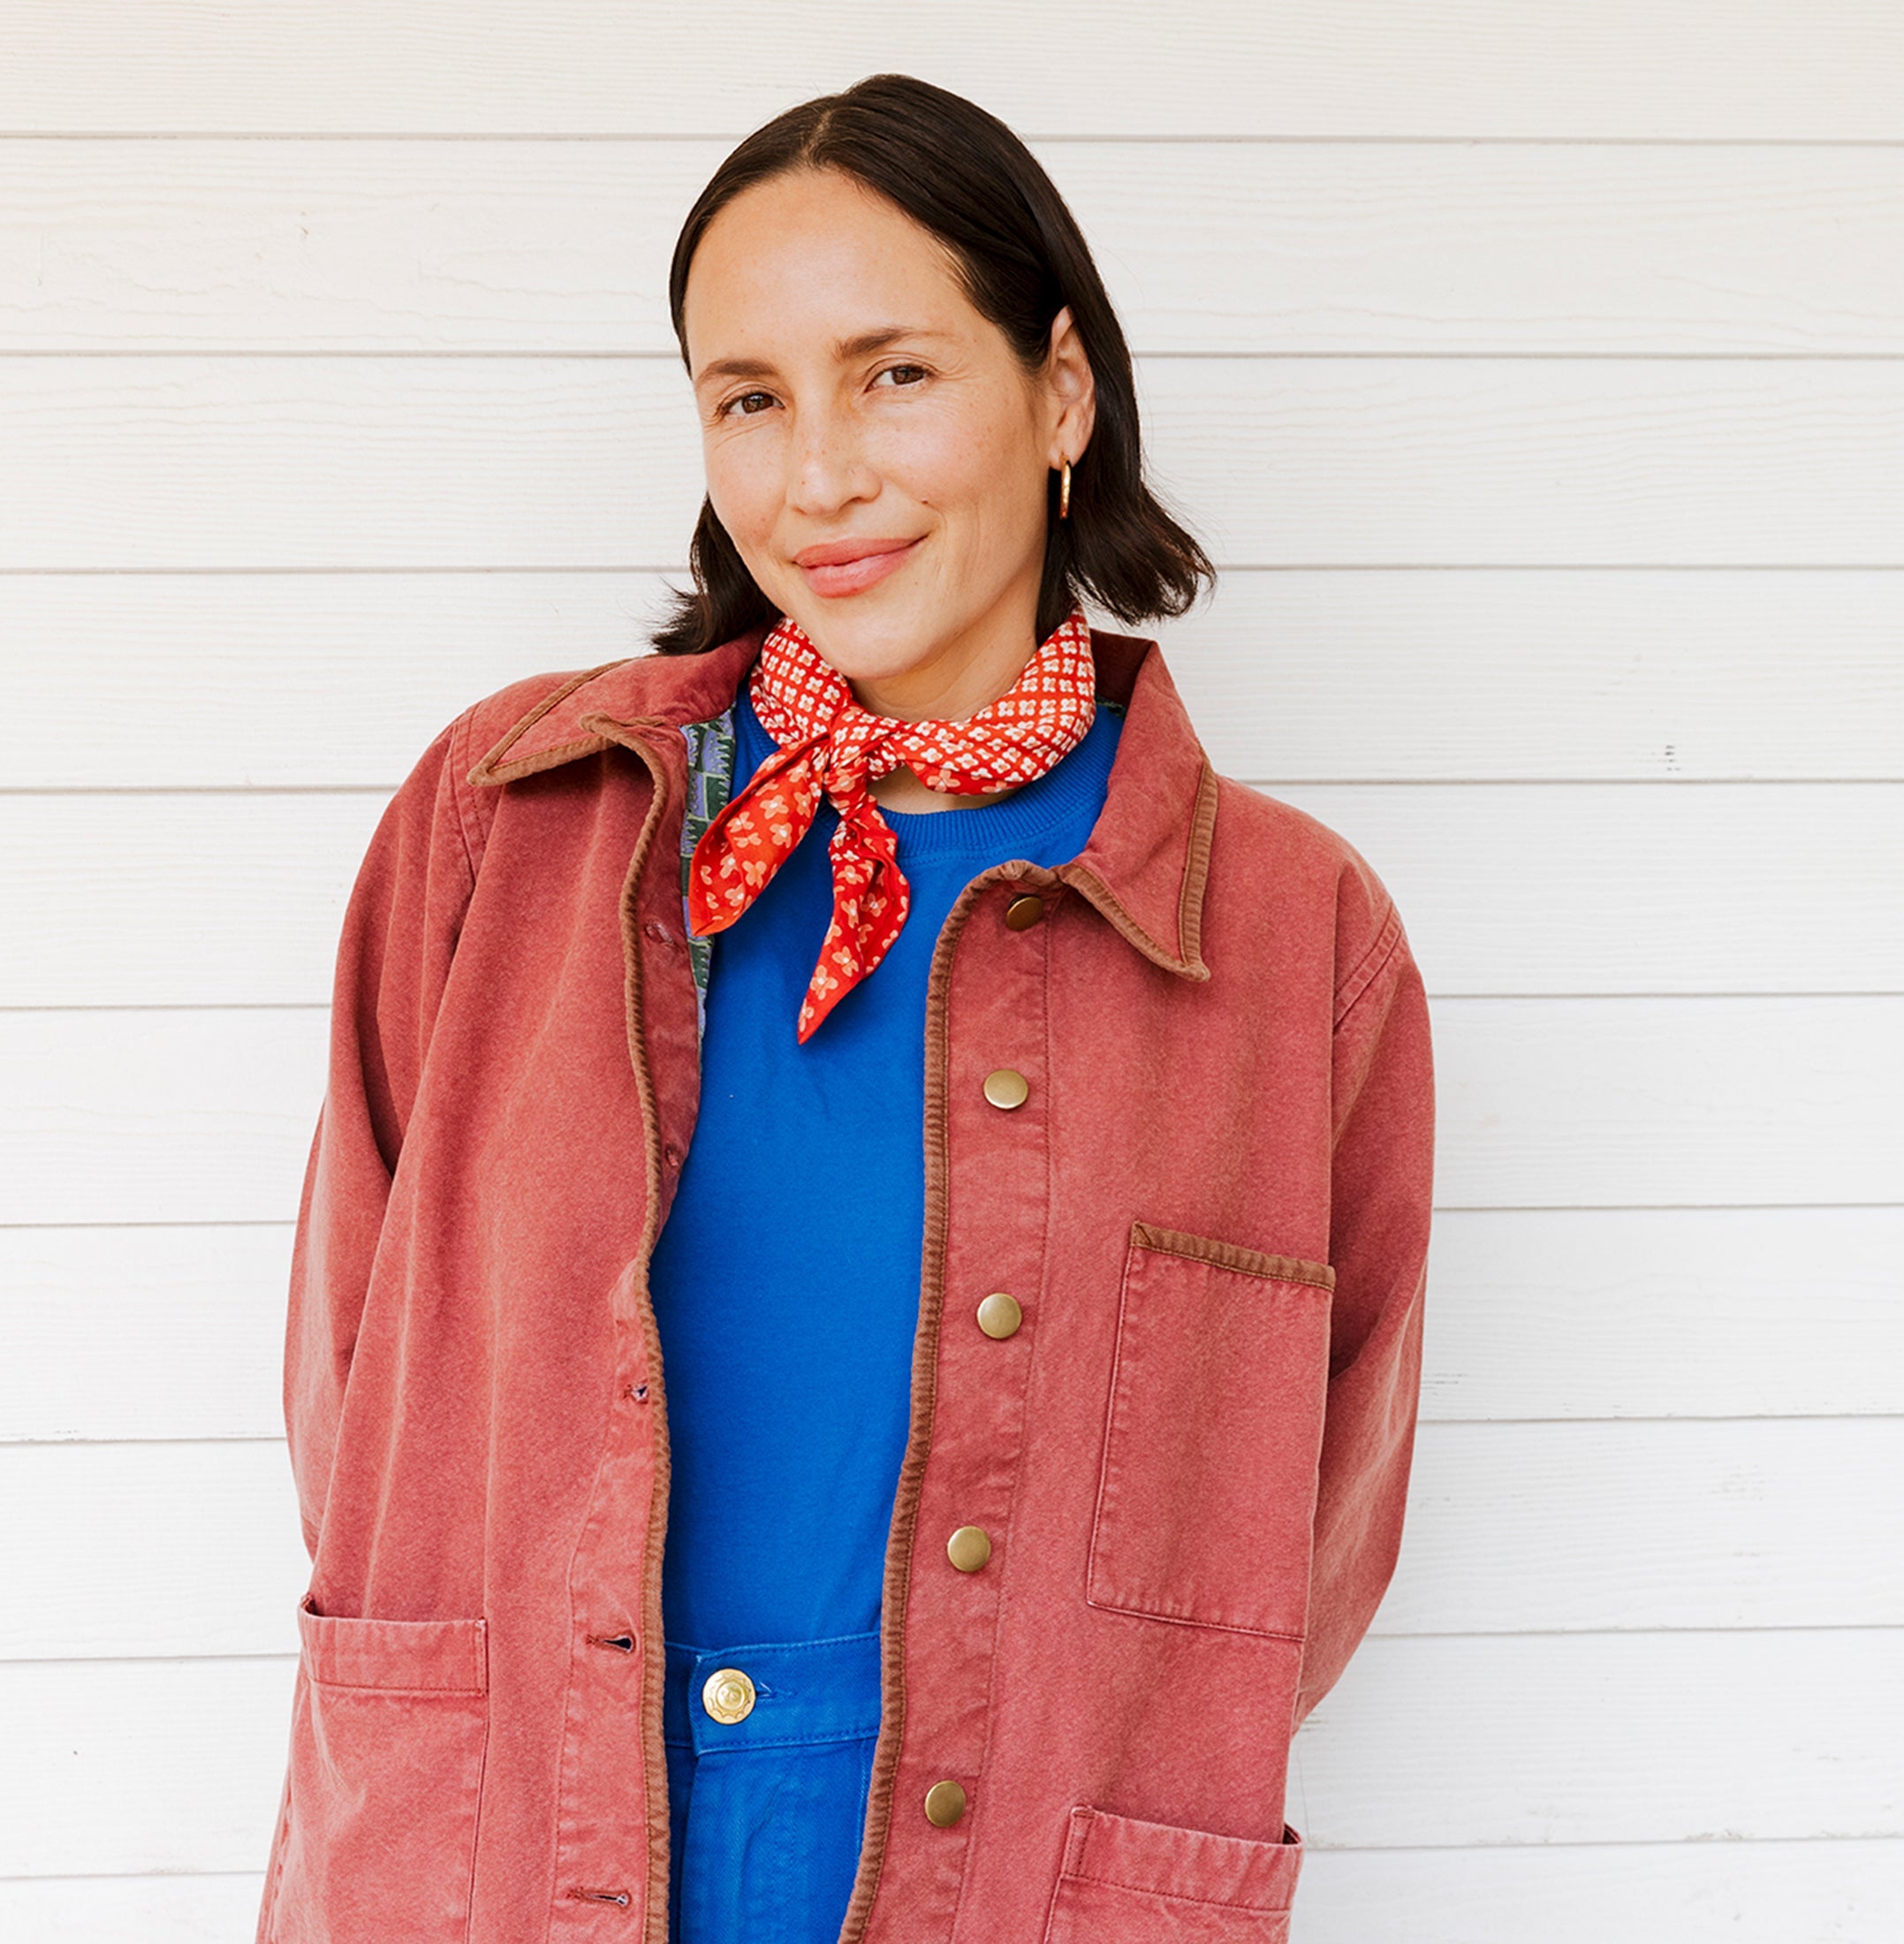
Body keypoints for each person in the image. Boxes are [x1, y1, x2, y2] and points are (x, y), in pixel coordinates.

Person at [255, 72, 1434, 1944]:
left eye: (893, 374)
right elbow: (364, 1401)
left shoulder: (1294, 942)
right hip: (503, 1847)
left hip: (1017, 1879)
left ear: (1060, 392)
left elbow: (1304, 1540)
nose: (817, 477)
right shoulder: (510, 821)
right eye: (749, 397)